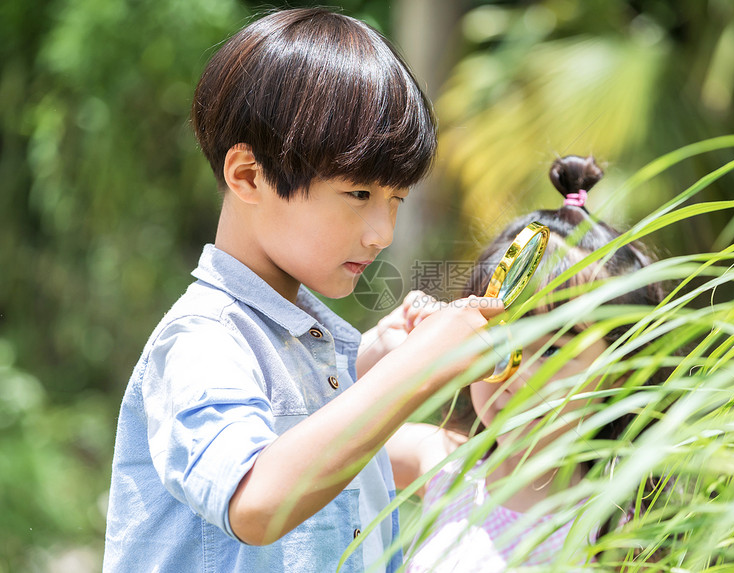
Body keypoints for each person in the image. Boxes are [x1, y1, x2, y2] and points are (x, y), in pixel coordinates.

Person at [103, 8, 503, 572]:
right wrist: (414, 370)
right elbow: (256, 502)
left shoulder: (316, 341)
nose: (381, 233)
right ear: (248, 176)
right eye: (360, 193)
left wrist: (369, 359)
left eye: (397, 200)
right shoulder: (204, 340)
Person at [385, 154, 669, 571]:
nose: (514, 376)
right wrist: (394, 354)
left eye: (554, 351)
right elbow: (326, 439)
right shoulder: (447, 464)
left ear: (619, 370)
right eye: (497, 338)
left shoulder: (618, 526)